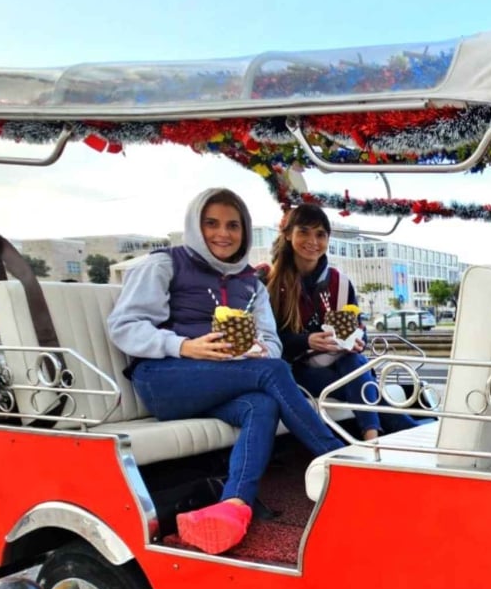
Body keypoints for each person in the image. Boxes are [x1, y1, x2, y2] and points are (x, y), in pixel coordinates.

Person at [107, 188, 344, 555]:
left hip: (221, 381)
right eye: (212, 223)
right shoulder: (164, 265)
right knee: (273, 373)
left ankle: (233, 506)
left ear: (245, 232)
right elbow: (124, 326)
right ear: (194, 225)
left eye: (233, 225)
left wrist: (258, 348)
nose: (224, 233)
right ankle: (343, 465)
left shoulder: (250, 282)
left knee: (261, 405)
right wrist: (183, 346)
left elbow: (269, 338)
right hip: (164, 378)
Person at [262, 203, 419, 440]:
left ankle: (373, 436)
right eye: (303, 231)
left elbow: (359, 329)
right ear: (287, 234)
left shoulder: (340, 282)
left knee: (354, 359)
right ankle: (405, 432)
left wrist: (358, 340)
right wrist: (307, 341)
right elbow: (268, 340)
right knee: (359, 381)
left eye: (320, 234)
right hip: (296, 372)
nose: (312, 241)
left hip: (341, 362)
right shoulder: (270, 282)